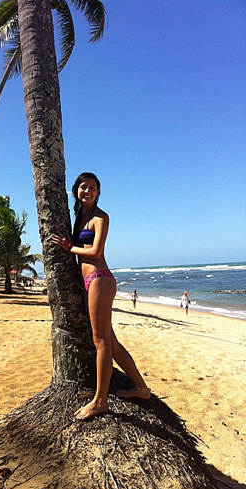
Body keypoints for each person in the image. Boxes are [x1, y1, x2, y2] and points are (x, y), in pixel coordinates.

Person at [52, 172, 150, 420]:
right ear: (76, 190)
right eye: (84, 187)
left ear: (98, 192)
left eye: (93, 188)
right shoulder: (79, 218)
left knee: (101, 342)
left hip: (99, 279)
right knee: (111, 342)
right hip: (89, 281)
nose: (88, 191)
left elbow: (95, 252)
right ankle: (140, 387)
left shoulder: (100, 217)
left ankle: (100, 401)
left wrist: (68, 247)